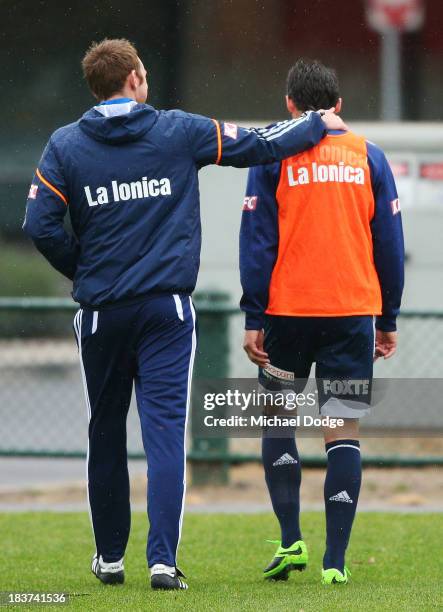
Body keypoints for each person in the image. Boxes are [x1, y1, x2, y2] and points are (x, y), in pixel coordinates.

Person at [23, 40, 345, 591]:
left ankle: (109, 560)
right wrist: (317, 123)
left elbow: (40, 224)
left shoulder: (65, 146)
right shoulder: (176, 131)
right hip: (166, 310)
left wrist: (86, 269)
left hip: (101, 311)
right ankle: (162, 563)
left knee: (104, 432)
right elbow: (259, 145)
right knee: (165, 435)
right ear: (135, 77)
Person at [240, 58, 404, 585]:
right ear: (339, 106)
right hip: (352, 312)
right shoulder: (369, 157)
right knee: (343, 430)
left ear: (290, 105)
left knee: (277, 420)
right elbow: (390, 248)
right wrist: (388, 316)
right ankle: (335, 561)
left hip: (288, 312)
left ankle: (291, 543)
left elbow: (258, 243)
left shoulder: (273, 156)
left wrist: (253, 313)